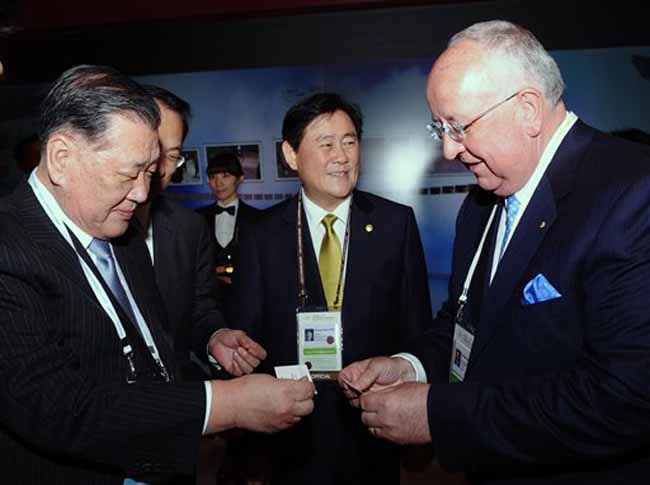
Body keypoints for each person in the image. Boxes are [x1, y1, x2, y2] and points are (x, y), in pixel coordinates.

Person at [339, 20, 650, 484]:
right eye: (439, 128)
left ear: (527, 109)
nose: (448, 149)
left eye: (459, 127)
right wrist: (410, 365)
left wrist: (439, 415)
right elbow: (467, 320)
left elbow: (625, 398)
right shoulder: (481, 206)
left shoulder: (631, 192)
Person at [0, 64, 315, 484]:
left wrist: (211, 342)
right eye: (130, 173)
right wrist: (226, 405)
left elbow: (156, 339)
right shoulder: (8, 246)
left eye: (150, 172)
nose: (143, 193)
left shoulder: (119, 225)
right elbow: (58, 407)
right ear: (61, 158)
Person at [230, 92, 432, 485]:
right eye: (325, 144)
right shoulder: (261, 234)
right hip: (292, 428)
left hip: (372, 423)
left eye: (350, 141)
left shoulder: (395, 224)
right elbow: (247, 335)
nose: (341, 156)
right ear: (291, 155)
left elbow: (416, 327)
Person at [134, 84, 265, 380]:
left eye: (172, 155)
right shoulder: (88, 222)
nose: (158, 168)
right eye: (152, 149)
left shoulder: (188, 227)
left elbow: (200, 308)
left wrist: (214, 337)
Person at [196, 151, 261, 288]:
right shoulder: (196, 219)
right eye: (213, 177)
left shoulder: (258, 218)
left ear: (240, 178)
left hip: (246, 295)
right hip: (209, 297)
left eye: (226, 176)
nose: (218, 183)